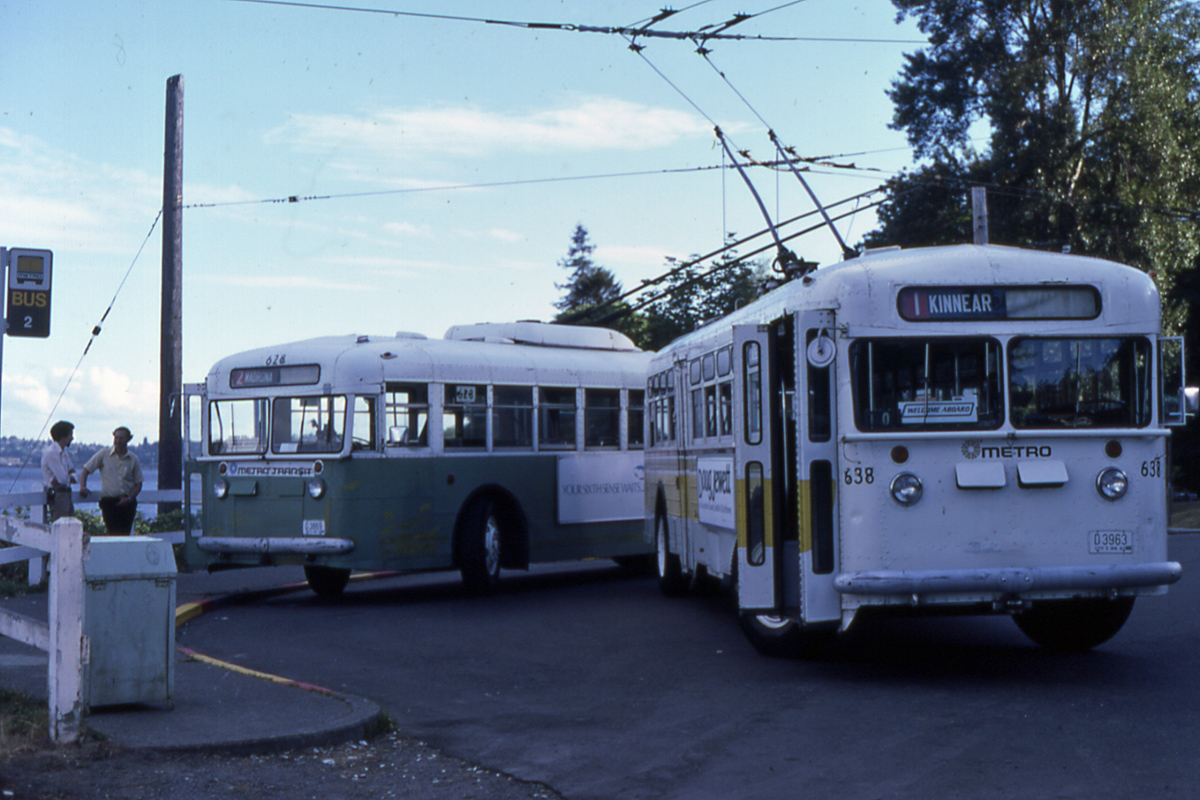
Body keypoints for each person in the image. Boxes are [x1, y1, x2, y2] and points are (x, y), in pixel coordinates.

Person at [79, 426, 143, 535]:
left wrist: (129, 498)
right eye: (116, 437)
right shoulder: (103, 455)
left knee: (125, 536)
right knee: (113, 534)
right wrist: (83, 487)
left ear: (128, 439)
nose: (117, 441)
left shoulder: (133, 459)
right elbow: (85, 470)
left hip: (127, 504)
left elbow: (138, 484)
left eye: (121, 438)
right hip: (109, 503)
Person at [40, 420, 77, 522]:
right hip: (58, 495)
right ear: (63, 436)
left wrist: (69, 476)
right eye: (70, 435)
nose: (72, 438)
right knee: (62, 527)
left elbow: (73, 473)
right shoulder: (51, 453)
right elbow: (62, 479)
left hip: (67, 493)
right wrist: (69, 477)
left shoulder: (63, 452)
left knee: (70, 525)